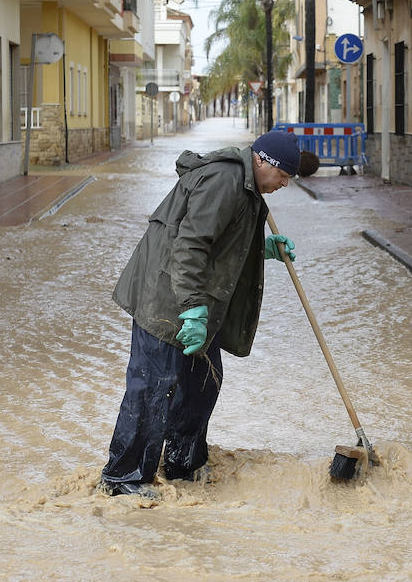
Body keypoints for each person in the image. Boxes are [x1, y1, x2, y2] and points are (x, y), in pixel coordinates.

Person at [100, 131, 318, 498]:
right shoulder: (225, 180)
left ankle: (182, 463)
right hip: (167, 300)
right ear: (262, 161)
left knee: (203, 385)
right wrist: (192, 312)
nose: (284, 184)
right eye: (283, 176)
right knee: (154, 388)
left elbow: (223, 240)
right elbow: (190, 245)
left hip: (196, 302)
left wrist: (261, 248)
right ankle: (123, 478)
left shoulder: (250, 189)